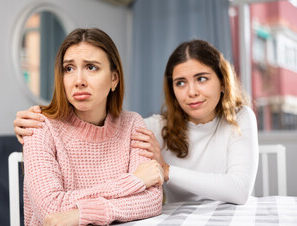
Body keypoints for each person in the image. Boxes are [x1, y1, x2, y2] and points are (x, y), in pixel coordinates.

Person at [14, 39, 258, 206]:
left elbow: (238, 190)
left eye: (202, 79)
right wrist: (29, 124)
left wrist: (166, 171)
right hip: (178, 222)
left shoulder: (241, 118)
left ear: (223, 82)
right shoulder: (154, 127)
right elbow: (115, 128)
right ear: (172, 89)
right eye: (180, 82)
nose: (191, 91)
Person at [19, 28, 163, 226]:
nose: (78, 80)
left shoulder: (132, 123)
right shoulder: (39, 125)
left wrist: (79, 215)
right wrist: (134, 181)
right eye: (69, 69)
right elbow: (51, 207)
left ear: (114, 79)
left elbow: (151, 200)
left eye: (91, 67)